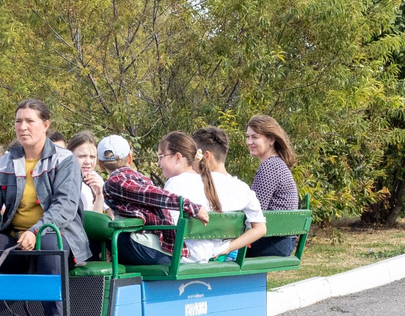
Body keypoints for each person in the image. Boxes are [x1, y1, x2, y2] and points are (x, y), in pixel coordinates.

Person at [0, 100, 90, 279]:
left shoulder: (65, 160)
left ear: (45, 125)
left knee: (48, 244)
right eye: (18, 121)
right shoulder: (3, 164)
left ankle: (55, 307)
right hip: (15, 239)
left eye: (29, 121)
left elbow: (65, 206)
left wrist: (35, 231)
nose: (22, 127)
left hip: (57, 236)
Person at [162, 129, 264, 262]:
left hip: (190, 256)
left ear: (206, 156)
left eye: (193, 155)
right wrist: (228, 248)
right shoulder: (243, 189)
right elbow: (260, 229)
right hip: (222, 256)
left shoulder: (186, 182)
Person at [97, 133, 195, 268]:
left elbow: (152, 195)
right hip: (164, 246)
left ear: (100, 164)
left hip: (149, 248)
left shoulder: (113, 182)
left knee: (94, 237)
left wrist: (189, 205)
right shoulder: (143, 178)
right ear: (130, 158)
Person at [243, 114, 302, 260]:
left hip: (274, 242)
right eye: (248, 137)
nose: (249, 142)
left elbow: (255, 208)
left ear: (271, 139)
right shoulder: (277, 164)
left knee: (217, 250)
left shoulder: (269, 167)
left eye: (255, 137)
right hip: (281, 241)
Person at [66, 131, 110, 215]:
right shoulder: (65, 180)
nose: (88, 162)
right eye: (82, 156)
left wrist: (99, 195)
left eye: (92, 157)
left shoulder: (95, 177)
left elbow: (96, 220)